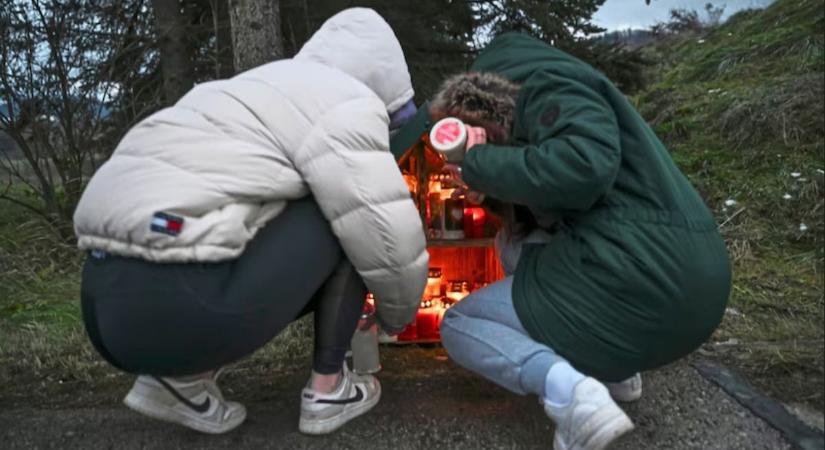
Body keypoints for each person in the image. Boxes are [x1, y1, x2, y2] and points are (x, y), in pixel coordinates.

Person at [74, 8, 428, 435]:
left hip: (102, 306)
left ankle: (175, 381)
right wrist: (397, 318)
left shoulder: (240, 91)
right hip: (178, 305)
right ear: (384, 82)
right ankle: (329, 388)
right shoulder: (346, 101)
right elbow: (383, 235)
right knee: (351, 216)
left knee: (275, 213)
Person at [394, 33, 731, 450]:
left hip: (644, 274)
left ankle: (573, 397)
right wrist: (493, 192)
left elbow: (583, 168)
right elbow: (560, 200)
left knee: (460, 325)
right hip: (686, 281)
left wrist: (481, 164)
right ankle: (614, 373)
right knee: (511, 245)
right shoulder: (552, 93)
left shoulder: (548, 84)